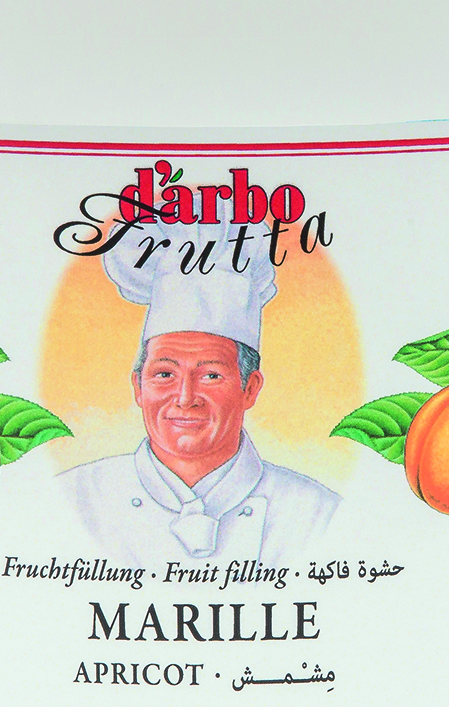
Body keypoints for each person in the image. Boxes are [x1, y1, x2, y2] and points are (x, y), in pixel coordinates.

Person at [60, 224, 339, 564]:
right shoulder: (73, 499)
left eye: (211, 375)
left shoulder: (317, 515)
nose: (184, 397)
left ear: (250, 388)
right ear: (138, 386)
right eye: (164, 374)